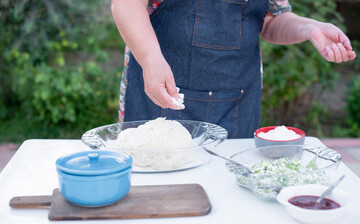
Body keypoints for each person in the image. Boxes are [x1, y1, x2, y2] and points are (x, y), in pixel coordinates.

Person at [111, 0, 356, 138]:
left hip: (236, 103)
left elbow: (271, 19)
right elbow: (126, 5)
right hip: (161, 96)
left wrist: (310, 28)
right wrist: (151, 59)